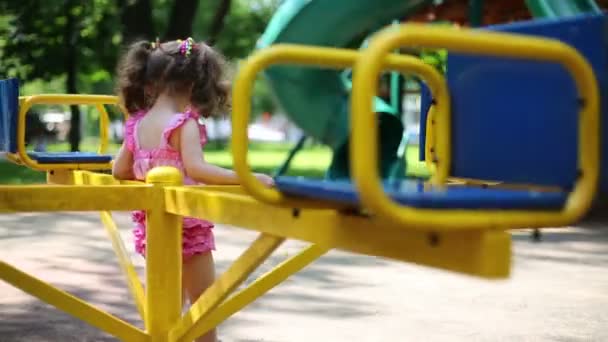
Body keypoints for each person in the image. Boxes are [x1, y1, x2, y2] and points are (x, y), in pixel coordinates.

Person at [111, 37, 274, 342]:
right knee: (204, 308)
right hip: (187, 227)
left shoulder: (136, 124)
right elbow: (198, 169)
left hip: (153, 227)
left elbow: (119, 169)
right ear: (194, 84)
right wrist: (245, 178)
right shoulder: (183, 123)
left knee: (166, 309)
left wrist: (148, 174)